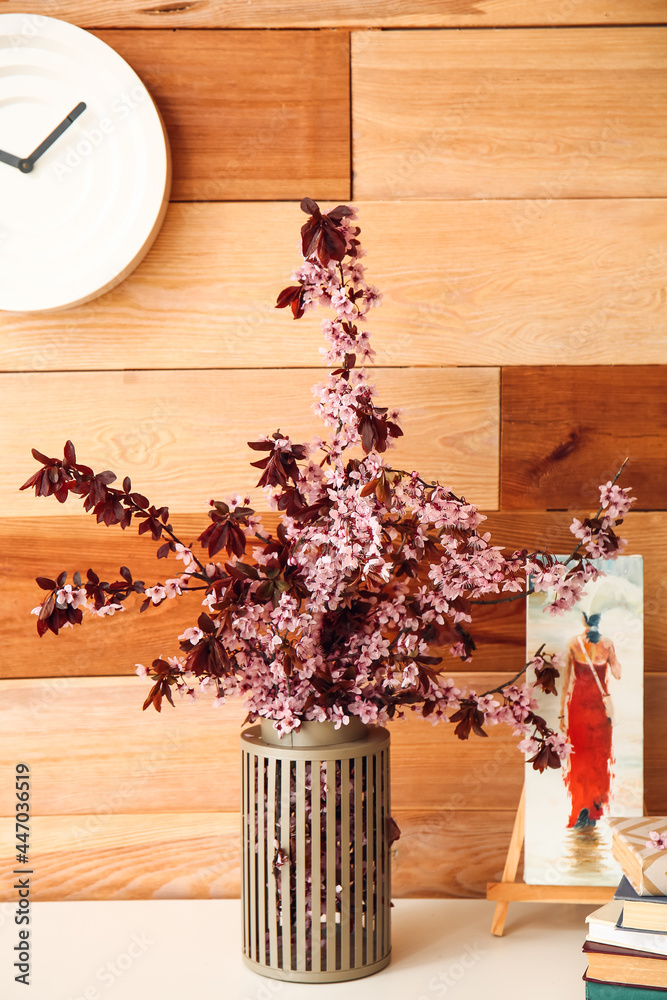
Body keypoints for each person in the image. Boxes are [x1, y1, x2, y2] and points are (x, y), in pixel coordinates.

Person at [559, 612, 622, 829]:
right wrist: (610, 655)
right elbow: (618, 673)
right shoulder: (607, 644)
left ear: (583, 621)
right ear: (598, 622)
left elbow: (567, 681)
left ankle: (580, 810)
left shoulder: (572, 644)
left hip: (578, 706)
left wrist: (561, 714)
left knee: (580, 756)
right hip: (599, 708)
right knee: (599, 755)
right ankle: (595, 808)